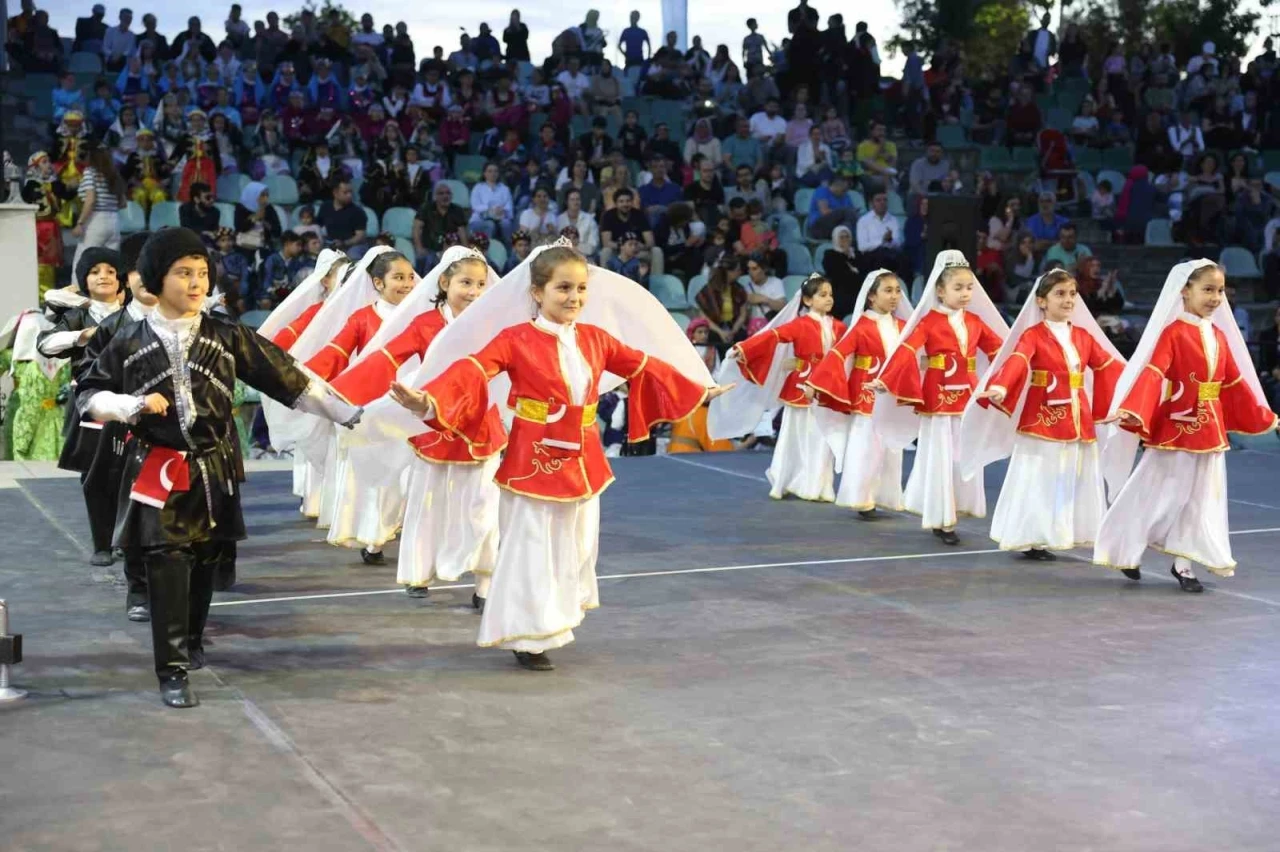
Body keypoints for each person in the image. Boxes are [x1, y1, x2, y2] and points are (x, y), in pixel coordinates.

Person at [388, 244, 725, 670]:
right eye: (563, 288)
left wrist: (696, 387)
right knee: (530, 547)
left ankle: (554, 621)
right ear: (536, 291)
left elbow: (643, 365)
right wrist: (428, 401)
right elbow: (472, 370)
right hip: (533, 459)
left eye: (581, 289)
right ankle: (526, 633)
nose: (574, 298)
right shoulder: (515, 339)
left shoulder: (596, 338)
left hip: (584, 459)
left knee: (577, 546)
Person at [75, 228, 360, 708]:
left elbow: (290, 379)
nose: (195, 283)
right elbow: (88, 395)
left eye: (202, 273)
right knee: (167, 560)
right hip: (157, 465)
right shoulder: (126, 337)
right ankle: (171, 669)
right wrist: (131, 405)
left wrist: (352, 415)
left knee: (206, 559)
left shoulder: (228, 335)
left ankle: (191, 640)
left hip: (215, 467)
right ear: (156, 278)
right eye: (183, 273)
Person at [1094, 261, 1278, 591]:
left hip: (1210, 431)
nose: (1215, 297)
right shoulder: (1174, 333)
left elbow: (1235, 383)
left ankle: (1184, 565)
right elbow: (1153, 372)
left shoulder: (1220, 335)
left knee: (1200, 501)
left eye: (1220, 290)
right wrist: (1132, 409)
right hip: (1176, 430)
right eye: (1207, 289)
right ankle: (1127, 548)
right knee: (1154, 495)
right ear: (1185, 291)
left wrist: (1267, 416)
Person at [332, 248, 500, 598]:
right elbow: (384, 359)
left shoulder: (493, 324)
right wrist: (336, 395)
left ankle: (485, 587)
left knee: (484, 512)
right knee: (427, 505)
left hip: (481, 426)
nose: (474, 291)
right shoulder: (425, 324)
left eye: (481, 284)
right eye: (465, 282)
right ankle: (418, 573)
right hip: (433, 425)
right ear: (444, 282)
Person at [964, 269, 1125, 559]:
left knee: (1070, 478)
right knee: (1039, 478)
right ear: (1041, 301)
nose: (1068, 300)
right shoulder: (1033, 335)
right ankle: (1032, 537)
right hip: (1043, 417)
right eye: (1060, 294)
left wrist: (1137, 389)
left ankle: (1063, 532)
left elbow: (1109, 366)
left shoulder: (1083, 336)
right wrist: (1000, 386)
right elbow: (1017, 361)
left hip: (1077, 417)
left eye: (1072, 294)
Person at [874, 251, 1008, 545]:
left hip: (969, 397)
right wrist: (886, 378)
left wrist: (1005, 378)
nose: (965, 293)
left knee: (964, 455)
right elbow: (907, 351)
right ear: (940, 290)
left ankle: (960, 505)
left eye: (969, 287)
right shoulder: (928, 322)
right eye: (958, 288)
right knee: (940, 457)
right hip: (938, 398)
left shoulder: (974, 321)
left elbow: (1000, 350)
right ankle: (940, 518)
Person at [74, 232, 158, 619]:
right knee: (133, 507)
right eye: (139, 270)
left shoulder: (201, 325)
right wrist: (126, 405)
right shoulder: (112, 329)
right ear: (130, 277)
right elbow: (90, 386)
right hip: (129, 435)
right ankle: (138, 588)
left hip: (185, 440)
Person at [37, 249, 126, 566]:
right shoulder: (77, 316)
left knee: (130, 473)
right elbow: (45, 344)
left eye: (111, 271)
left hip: (128, 404)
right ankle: (102, 544)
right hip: (89, 404)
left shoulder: (133, 315)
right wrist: (81, 336)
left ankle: (124, 540)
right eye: (95, 271)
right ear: (85, 280)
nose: (103, 276)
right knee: (95, 475)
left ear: (121, 279)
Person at [723, 274, 845, 500]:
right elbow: (772, 336)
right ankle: (785, 478)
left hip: (827, 386)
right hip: (801, 384)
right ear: (807, 301)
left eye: (831, 295)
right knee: (795, 435)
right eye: (822, 295)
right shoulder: (799, 325)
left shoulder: (838, 326)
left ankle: (820, 485)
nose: (829, 299)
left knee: (822, 437)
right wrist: (746, 348)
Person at [807, 270, 913, 517]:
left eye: (898, 290)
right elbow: (837, 354)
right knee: (866, 447)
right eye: (888, 291)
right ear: (871, 297)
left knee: (891, 447)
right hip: (866, 391)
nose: (895, 296)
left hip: (891, 393)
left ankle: (887, 495)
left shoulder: (905, 327)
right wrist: (815, 382)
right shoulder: (861, 327)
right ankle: (861, 497)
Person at [257, 250, 352, 518]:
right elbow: (282, 344)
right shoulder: (317, 311)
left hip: (344, 387)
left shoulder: (356, 312)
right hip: (317, 385)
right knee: (318, 441)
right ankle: (319, 503)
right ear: (325, 281)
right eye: (340, 279)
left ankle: (338, 508)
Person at [71, 144, 125, 284]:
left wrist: (80, 223)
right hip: (114, 220)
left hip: (96, 220)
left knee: (83, 260)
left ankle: (78, 296)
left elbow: (90, 200)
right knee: (110, 264)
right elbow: (122, 203)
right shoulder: (114, 174)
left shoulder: (90, 172)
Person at [856, 191, 909, 281]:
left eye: (885, 200)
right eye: (878, 200)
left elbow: (898, 242)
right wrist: (882, 241)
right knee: (881, 256)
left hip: (891, 253)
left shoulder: (893, 220)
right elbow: (862, 247)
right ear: (872, 203)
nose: (882, 203)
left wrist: (890, 240)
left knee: (905, 258)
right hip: (871, 256)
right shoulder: (864, 221)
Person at [316, 180, 369, 258]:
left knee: (352, 256)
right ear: (335, 193)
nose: (349, 195)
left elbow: (360, 236)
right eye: (345, 192)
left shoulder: (357, 211)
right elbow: (317, 226)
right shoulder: (325, 207)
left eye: (350, 192)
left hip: (352, 245)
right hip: (331, 244)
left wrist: (344, 243)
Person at [807, 173, 860, 240]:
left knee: (848, 223)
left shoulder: (845, 196)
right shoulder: (822, 191)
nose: (845, 192)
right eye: (843, 189)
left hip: (836, 228)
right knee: (846, 212)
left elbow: (851, 214)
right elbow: (824, 212)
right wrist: (842, 212)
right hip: (819, 228)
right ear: (837, 185)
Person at [855, 122, 898, 194]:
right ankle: (885, 172)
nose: (882, 133)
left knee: (887, 176)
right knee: (867, 161)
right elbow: (865, 166)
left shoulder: (891, 145)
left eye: (884, 130)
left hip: (888, 177)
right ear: (872, 132)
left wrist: (887, 156)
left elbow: (893, 166)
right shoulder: (863, 146)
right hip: (870, 176)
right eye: (879, 130)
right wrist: (879, 149)